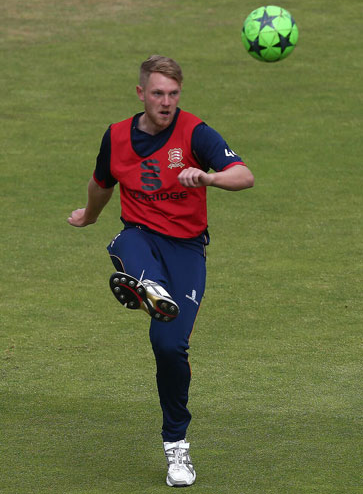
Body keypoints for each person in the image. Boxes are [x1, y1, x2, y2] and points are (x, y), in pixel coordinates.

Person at [68, 55, 254, 487]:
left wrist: (208, 179)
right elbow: (102, 182)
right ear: (141, 94)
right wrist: (91, 215)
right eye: (157, 93)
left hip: (187, 251)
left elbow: (244, 176)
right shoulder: (116, 136)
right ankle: (146, 283)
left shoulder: (195, 132)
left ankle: (177, 447)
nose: (166, 102)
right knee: (127, 242)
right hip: (140, 236)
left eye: (172, 94)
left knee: (169, 346)